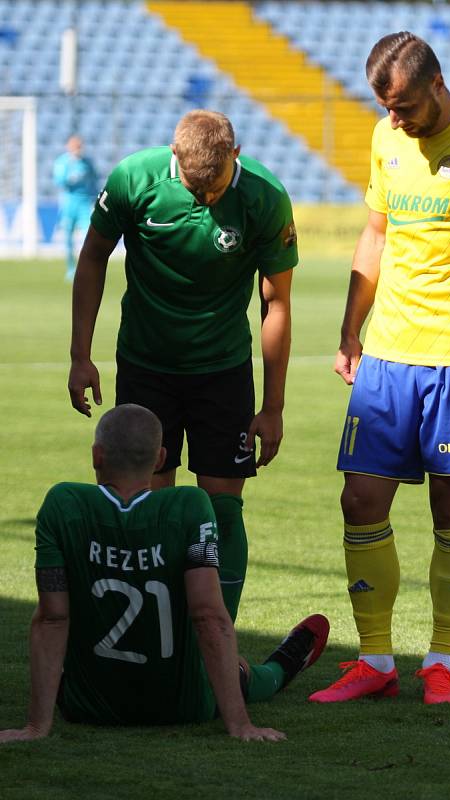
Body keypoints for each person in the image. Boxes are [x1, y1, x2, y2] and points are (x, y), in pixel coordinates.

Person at [309, 32, 450, 706]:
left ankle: (441, 661)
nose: (395, 121)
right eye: (386, 108)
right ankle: (375, 659)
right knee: (360, 501)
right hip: (387, 356)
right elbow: (375, 233)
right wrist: (350, 330)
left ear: (435, 85)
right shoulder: (385, 140)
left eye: (405, 107)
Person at [67, 110, 298, 625]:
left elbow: (276, 305)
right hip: (146, 368)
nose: (205, 199)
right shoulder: (134, 180)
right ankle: (154, 634)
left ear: (234, 158)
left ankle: (220, 637)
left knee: (221, 513)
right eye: (195, 188)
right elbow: (93, 258)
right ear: (176, 159)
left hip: (223, 371)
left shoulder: (264, 198)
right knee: (146, 507)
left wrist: (273, 406)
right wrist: (80, 355)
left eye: (214, 189)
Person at [0, 405, 329, 743]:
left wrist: (36, 727)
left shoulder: (63, 504)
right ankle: (279, 667)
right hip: (184, 704)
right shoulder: (190, 505)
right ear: (159, 459)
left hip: (87, 706)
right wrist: (240, 726)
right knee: (237, 670)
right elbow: (207, 617)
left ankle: (266, 666)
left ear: (97, 455)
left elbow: (52, 619)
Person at [53, 135, 98, 281]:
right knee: (68, 237)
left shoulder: (87, 163)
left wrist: (95, 198)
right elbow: (59, 181)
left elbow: (94, 180)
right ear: (69, 147)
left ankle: (87, 267)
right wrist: (70, 177)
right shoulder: (63, 162)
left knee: (88, 236)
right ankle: (71, 269)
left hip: (84, 203)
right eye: (75, 146)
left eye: (79, 146)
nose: (78, 149)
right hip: (69, 203)